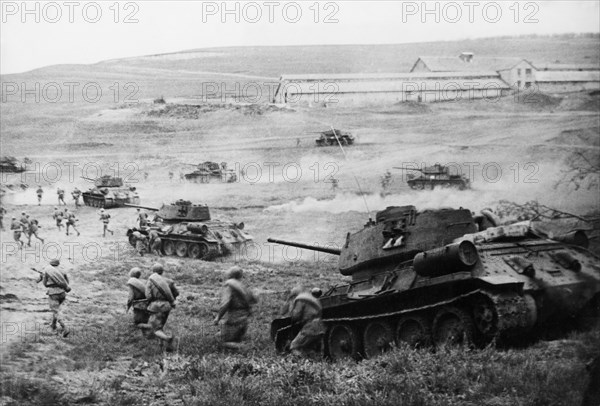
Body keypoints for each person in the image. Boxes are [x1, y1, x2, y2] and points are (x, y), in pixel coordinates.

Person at [213, 266, 258, 349]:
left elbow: (225, 303)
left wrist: (217, 318)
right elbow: (254, 300)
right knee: (229, 337)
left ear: (230, 275)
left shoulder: (229, 285)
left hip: (234, 320)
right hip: (244, 321)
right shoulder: (242, 286)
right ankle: (238, 342)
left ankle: (246, 347)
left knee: (219, 340)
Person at [139, 263, 179, 350]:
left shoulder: (151, 280)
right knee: (160, 326)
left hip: (156, 307)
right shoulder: (169, 281)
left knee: (155, 330)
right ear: (162, 271)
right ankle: (161, 346)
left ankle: (168, 339)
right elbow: (176, 293)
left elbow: (148, 296)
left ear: (153, 271)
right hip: (167, 307)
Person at [34, 259, 71, 337]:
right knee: (56, 310)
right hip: (62, 293)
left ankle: (65, 327)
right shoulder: (63, 270)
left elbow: (45, 284)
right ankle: (53, 325)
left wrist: (44, 277)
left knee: (56, 311)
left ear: (51, 264)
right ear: (58, 264)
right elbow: (67, 282)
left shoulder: (48, 271)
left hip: (53, 294)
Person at [288, 288, 326, 357]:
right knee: (310, 349)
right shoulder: (315, 300)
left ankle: (301, 363)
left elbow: (296, 316)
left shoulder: (300, 299)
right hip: (320, 327)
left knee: (294, 346)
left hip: (310, 328)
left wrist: (291, 307)